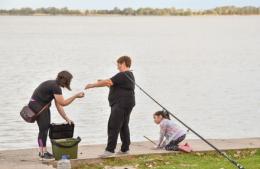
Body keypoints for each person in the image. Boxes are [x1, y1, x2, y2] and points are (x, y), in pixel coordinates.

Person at [85, 56, 135, 157]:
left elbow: (108, 81)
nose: (117, 67)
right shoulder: (129, 75)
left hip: (121, 104)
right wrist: (102, 82)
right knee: (124, 125)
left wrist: (92, 85)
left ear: (124, 63)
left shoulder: (123, 74)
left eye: (119, 64)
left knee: (113, 125)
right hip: (127, 103)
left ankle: (110, 150)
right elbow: (113, 85)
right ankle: (125, 149)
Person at [28, 71, 84, 159]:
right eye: (69, 80)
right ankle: (43, 153)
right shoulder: (55, 87)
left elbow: (59, 105)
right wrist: (75, 96)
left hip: (35, 105)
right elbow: (63, 103)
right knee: (44, 130)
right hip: (39, 108)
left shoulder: (52, 85)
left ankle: (42, 152)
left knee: (43, 129)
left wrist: (66, 118)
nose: (69, 82)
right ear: (66, 80)